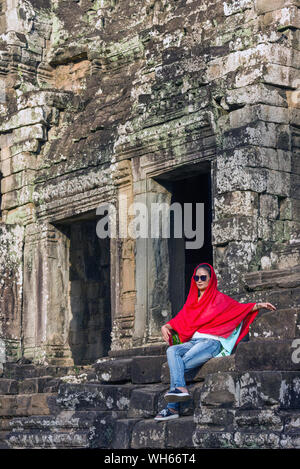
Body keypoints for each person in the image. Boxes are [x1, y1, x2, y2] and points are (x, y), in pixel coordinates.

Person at [154, 262, 276, 421]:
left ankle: (171, 408)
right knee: (172, 351)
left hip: (211, 342)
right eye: (196, 277)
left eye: (203, 277)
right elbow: (181, 319)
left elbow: (239, 309)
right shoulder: (193, 301)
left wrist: (259, 305)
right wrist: (166, 326)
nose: (199, 280)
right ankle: (180, 388)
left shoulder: (219, 299)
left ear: (210, 279)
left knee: (178, 364)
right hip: (194, 340)